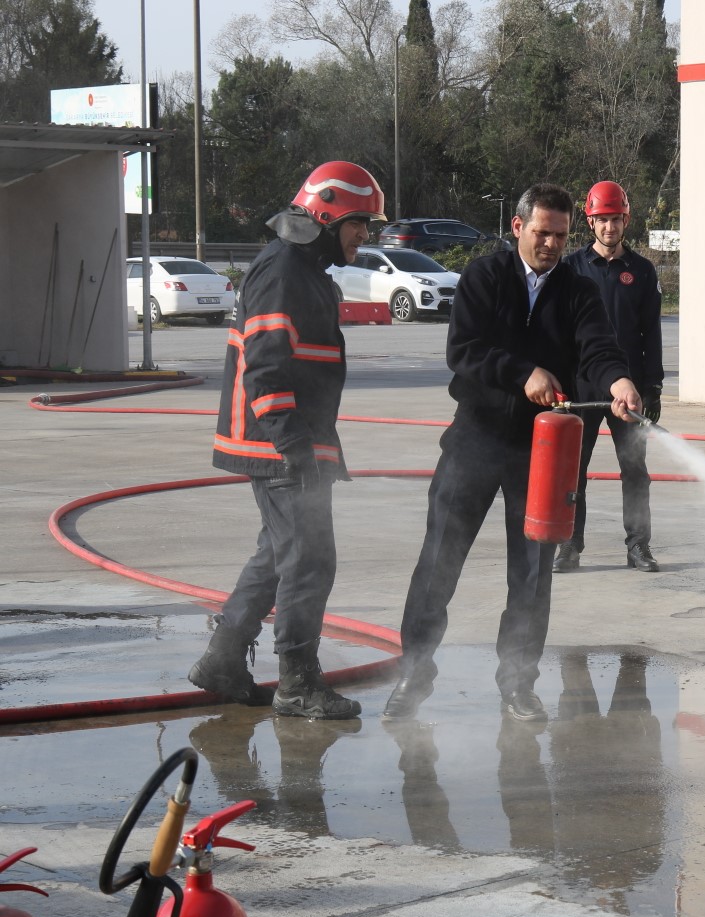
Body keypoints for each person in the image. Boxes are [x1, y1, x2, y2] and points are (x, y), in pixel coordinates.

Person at [382, 183, 641, 722]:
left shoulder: (577, 289)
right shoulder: (483, 276)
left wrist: (617, 381)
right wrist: (523, 374)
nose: (551, 244)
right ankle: (413, 673)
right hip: (475, 438)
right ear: (518, 227)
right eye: (542, 232)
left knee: (532, 571)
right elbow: (464, 351)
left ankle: (518, 683)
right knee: (440, 560)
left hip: (541, 450)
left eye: (561, 235)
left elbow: (597, 345)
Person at [186, 160, 386, 720]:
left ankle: (223, 660)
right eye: (359, 223)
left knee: (278, 553)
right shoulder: (282, 271)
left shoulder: (302, 270)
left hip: (293, 440)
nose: (364, 235)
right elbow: (266, 370)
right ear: (326, 215)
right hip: (280, 444)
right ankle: (298, 682)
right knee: (309, 558)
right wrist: (294, 445)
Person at [555, 180, 665, 574]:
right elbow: (558, 332)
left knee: (634, 470)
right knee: (572, 471)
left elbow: (650, 332)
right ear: (590, 221)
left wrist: (653, 386)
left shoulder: (641, 271)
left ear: (626, 220)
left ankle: (639, 547)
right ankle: (569, 545)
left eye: (616, 219)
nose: (609, 227)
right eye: (602, 220)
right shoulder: (570, 269)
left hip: (629, 392)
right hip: (581, 389)